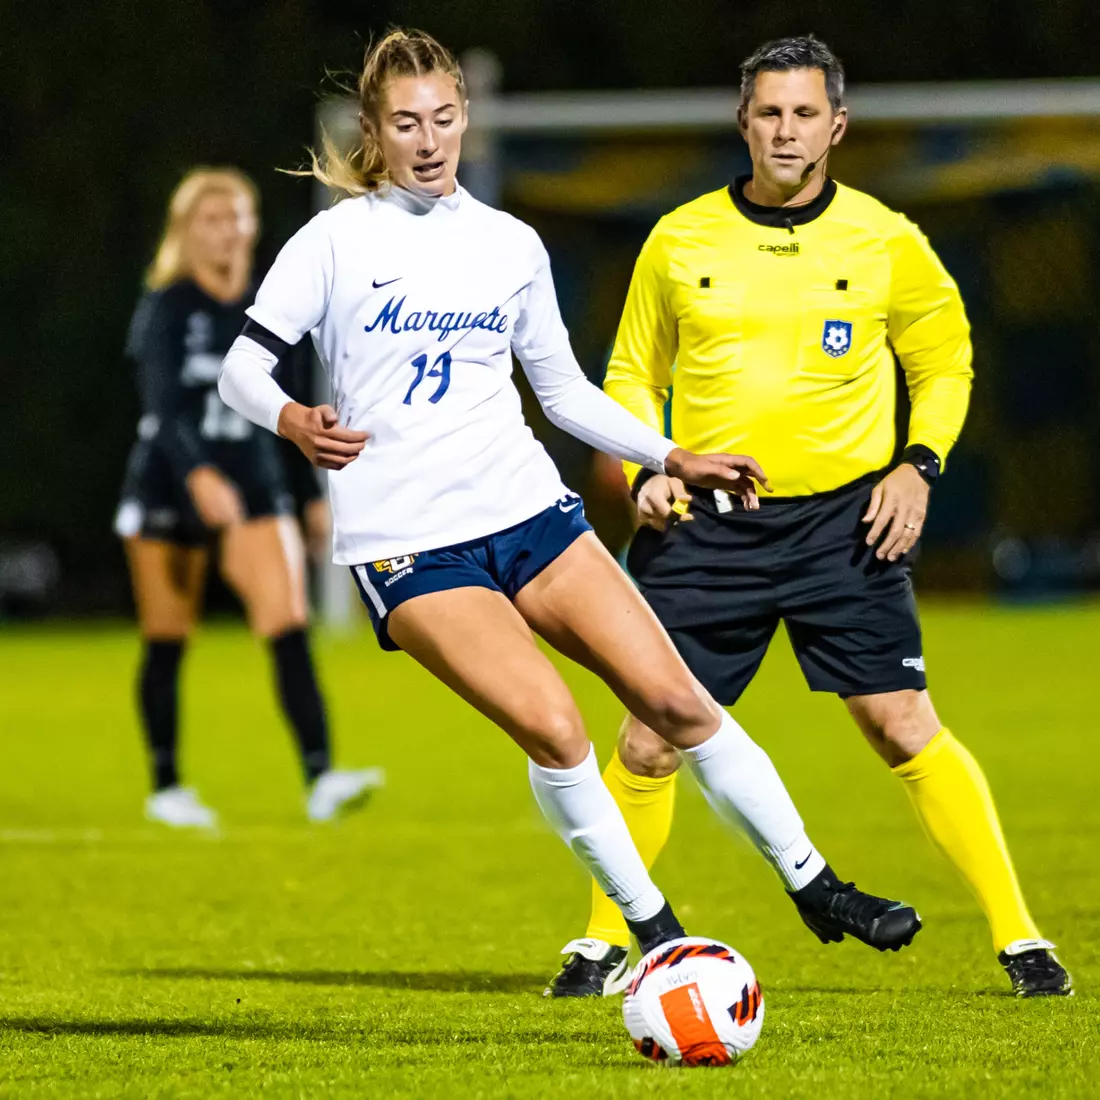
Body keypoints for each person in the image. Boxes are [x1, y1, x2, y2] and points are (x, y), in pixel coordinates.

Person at [218, 28, 921, 973]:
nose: (428, 142)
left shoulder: (509, 243)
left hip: (527, 512)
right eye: (404, 124)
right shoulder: (335, 240)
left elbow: (564, 393)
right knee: (554, 727)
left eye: (442, 119)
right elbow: (240, 370)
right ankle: (656, 934)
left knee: (678, 699)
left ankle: (815, 886)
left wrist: (673, 450)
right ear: (376, 135)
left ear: (464, 116)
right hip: (411, 543)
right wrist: (295, 419)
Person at [551, 35, 1071, 999]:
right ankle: (599, 941)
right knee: (648, 737)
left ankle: (1021, 937)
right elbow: (630, 374)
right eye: (767, 112)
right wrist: (639, 467)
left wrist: (918, 467)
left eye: (803, 113)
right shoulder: (680, 238)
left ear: (837, 125)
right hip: (705, 526)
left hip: (845, 524)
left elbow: (943, 363)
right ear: (740, 121)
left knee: (902, 722)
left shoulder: (885, 238)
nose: (784, 130)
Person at [115, 168, 382, 828]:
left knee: (288, 624)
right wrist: (199, 476)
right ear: (186, 230)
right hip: (167, 485)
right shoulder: (167, 304)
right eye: (211, 218)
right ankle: (166, 785)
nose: (226, 230)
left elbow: (287, 405)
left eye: (236, 216)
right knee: (167, 636)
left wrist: (309, 494)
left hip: (256, 481)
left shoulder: (269, 304)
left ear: (253, 226)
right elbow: (160, 407)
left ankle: (321, 776)